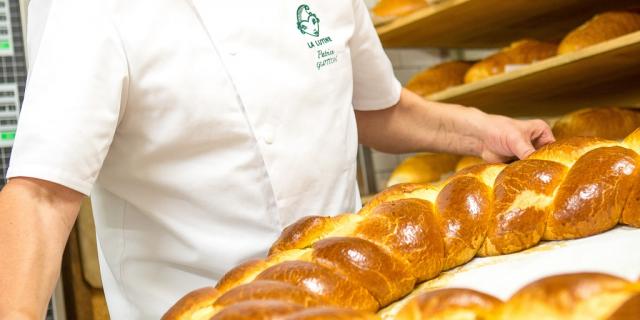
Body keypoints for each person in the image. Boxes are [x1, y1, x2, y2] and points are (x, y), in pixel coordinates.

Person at [0, 0, 554, 318]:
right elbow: (42, 193)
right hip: (194, 306)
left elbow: (376, 107)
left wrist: (481, 132)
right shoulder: (89, 7)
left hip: (352, 288)